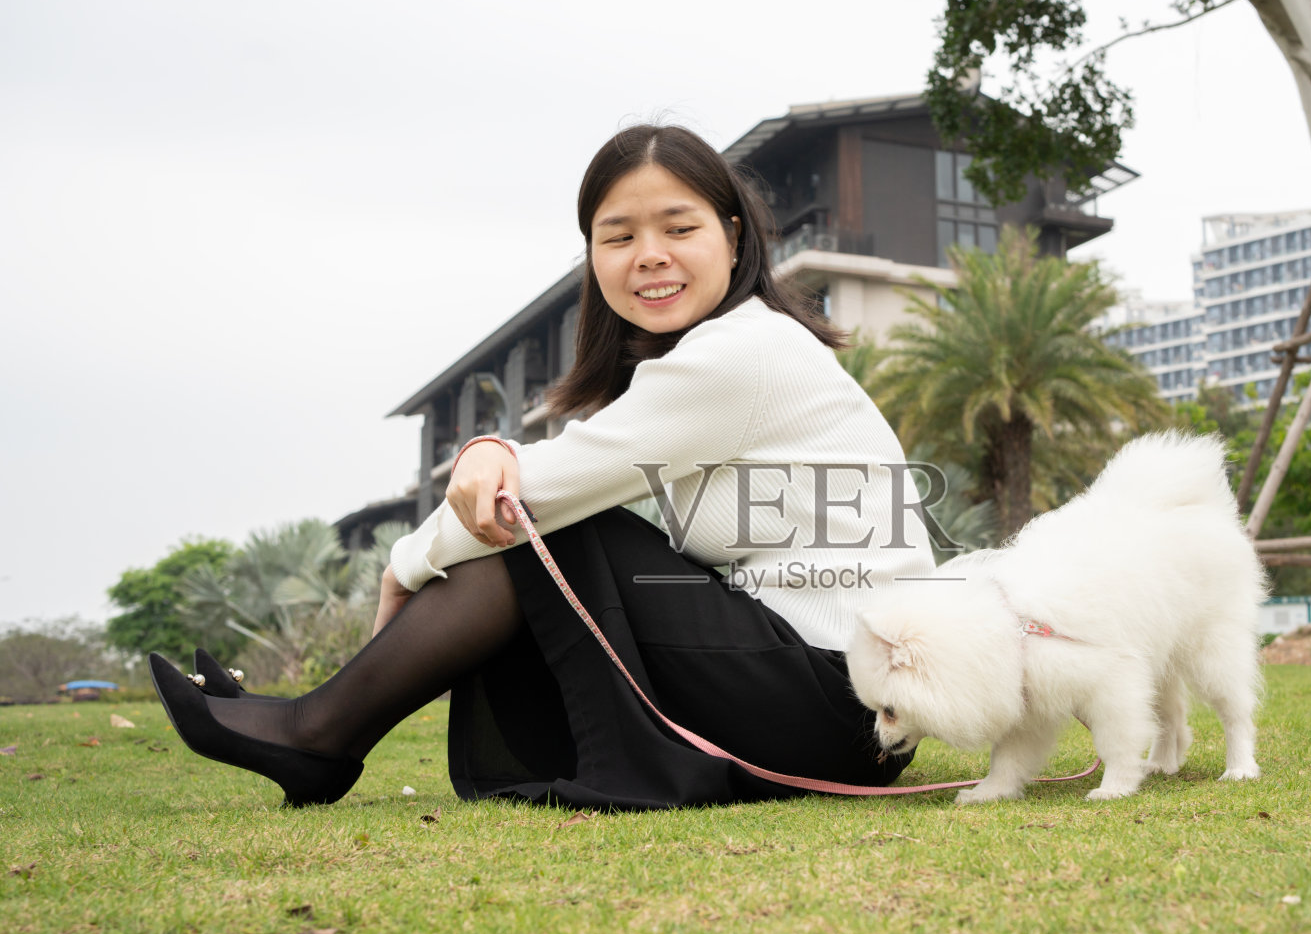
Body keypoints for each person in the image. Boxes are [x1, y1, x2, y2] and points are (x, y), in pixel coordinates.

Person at [150, 124, 936, 811]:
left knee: (555, 528)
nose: (649, 256)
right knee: (562, 526)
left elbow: (543, 490)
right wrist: (492, 452)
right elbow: (551, 471)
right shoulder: (723, 352)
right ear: (592, 255)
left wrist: (404, 563)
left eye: (677, 227)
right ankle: (314, 728)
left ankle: (315, 732)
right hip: (841, 704)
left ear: (733, 237)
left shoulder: (742, 354)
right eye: (619, 236)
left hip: (841, 704)